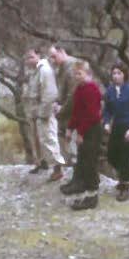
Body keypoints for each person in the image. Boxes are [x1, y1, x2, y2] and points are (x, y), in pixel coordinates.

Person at [63, 63, 103, 210]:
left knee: (89, 162)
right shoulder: (79, 89)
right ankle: (80, 185)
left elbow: (92, 115)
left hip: (92, 130)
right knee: (81, 158)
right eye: (75, 74)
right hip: (83, 128)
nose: (76, 76)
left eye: (79, 73)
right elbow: (77, 111)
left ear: (88, 74)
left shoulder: (92, 90)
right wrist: (70, 128)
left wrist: (81, 132)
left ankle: (92, 196)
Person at [102, 63, 129, 202]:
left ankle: (124, 187)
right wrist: (107, 122)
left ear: (124, 75)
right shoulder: (110, 91)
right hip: (117, 127)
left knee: (126, 157)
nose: (116, 76)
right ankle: (125, 176)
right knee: (111, 156)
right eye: (114, 73)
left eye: (119, 73)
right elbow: (107, 110)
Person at [23, 49, 65, 175]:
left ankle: (57, 167)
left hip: (43, 110)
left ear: (38, 56)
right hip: (34, 109)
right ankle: (41, 162)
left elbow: (50, 94)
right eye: (27, 58)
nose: (28, 60)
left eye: (31, 57)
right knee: (36, 138)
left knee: (49, 137)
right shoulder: (34, 71)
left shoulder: (44, 70)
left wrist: (43, 113)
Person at [48, 44, 84, 182]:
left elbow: (73, 94)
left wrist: (61, 108)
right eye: (50, 57)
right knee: (60, 142)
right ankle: (59, 170)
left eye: (54, 56)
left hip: (74, 114)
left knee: (73, 146)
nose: (52, 60)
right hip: (64, 114)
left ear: (62, 52)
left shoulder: (73, 67)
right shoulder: (61, 68)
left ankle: (78, 178)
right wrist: (57, 102)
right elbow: (61, 91)